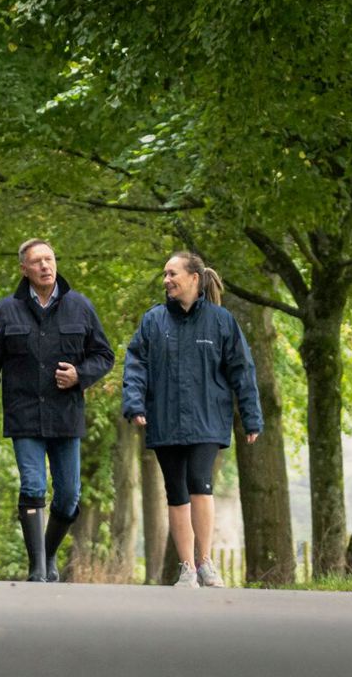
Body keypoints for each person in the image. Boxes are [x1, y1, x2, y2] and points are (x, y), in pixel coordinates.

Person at [0, 238, 114, 582]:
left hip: (66, 415)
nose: (45, 266)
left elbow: (104, 356)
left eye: (49, 259)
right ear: (24, 269)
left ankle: (48, 554)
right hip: (24, 415)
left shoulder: (79, 306)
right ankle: (37, 568)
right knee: (33, 486)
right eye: (36, 261)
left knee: (68, 496)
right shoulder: (6, 309)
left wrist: (80, 375)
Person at [123, 249, 263, 589]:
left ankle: (205, 562)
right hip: (165, 417)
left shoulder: (220, 321)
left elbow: (241, 370)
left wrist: (251, 416)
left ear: (194, 278)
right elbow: (136, 364)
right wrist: (135, 403)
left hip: (207, 418)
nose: (167, 280)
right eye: (165, 275)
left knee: (200, 482)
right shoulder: (153, 320)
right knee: (176, 491)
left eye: (173, 274)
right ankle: (186, 567)